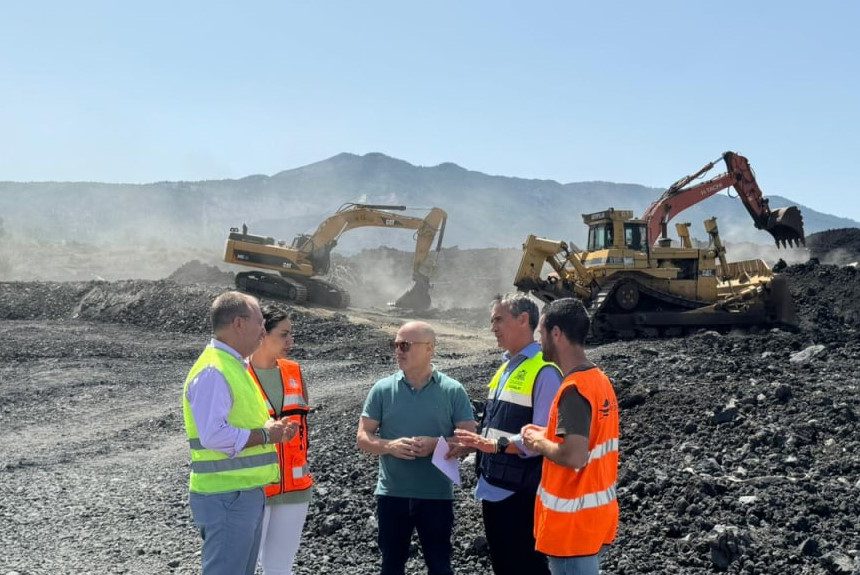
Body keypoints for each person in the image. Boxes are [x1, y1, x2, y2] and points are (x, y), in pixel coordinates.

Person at [182, 291, 298, 575]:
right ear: (238, 324)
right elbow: (214, 436)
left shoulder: (233, 366)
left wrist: (270, 430)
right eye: (260, 323)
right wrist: (267, 435)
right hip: (226, 497)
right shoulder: (214, 371)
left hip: (240, 494)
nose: (263, 330)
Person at [356, 321, 477, 575]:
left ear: (430, 348)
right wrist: (389, 446)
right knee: (391, 566)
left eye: (405, 345)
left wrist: (436, 445)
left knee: (440, 565)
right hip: (391, 494)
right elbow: (362, 437)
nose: (398, 351)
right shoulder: (382, 389)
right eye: (396, 344)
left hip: (436, 496)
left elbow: (469, 439)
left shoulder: (452, 390)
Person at [454, 293, 561, 575]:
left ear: (524, 319)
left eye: (499, 319)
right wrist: (471, 442)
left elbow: (544, 438)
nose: (493, 327)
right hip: (495, 486)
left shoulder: (545, 371)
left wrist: (492, 445)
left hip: (521, 493)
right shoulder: (505, 368)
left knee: (527, 566)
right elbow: (497, 423)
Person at [521, 298, 620, 575]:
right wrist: (545, 433)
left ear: (556, 334)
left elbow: (575, 455)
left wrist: (539, 443)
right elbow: (587, 437)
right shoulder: (598, 379)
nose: (539, 341)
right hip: (591, 519)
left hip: (571, 528)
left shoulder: (573, 390)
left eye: (541, 333)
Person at [249, 304, 312, 575]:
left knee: (280, 567)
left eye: (292, 334)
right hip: (256, 488)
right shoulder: (240, 375)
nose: (291, 341)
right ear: (262, 333)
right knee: (246, 566)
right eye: (284, 334)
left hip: (295, 488)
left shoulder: (294, 372)